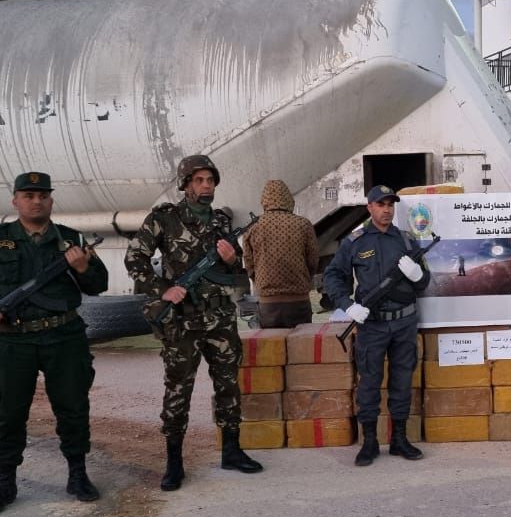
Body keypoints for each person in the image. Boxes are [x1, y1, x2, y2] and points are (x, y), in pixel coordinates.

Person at [0, 172, 109, 516]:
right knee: (8, 413)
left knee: (73, 408)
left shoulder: (71, 239)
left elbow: (98, 285)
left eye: (42, 195)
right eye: (28, 196)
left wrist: (83, 268)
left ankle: (78, 475)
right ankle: (5, 484)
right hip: (13, 340)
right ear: (15, 201)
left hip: (63, 336)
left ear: (51, 200)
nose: (36, 201)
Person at [125, 154, 263, 490]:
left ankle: (231, 451)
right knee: (178, 390)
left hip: (219, 319)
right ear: (185, 184)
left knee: (228, 385)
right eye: (199, 180)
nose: (206, 186)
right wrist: (164, 289)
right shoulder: (164, 218)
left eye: (210, 180)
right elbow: (135, 259)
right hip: (182, 322)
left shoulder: (221, 221)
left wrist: (232, 259)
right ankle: (174, 463)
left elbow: (236, 273)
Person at [323, 185, 430, 466]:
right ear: (369, 208)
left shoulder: (406, 240)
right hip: (372, 325)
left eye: (390, 205)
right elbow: (332, 276)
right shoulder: (355, 242)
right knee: (369, 382)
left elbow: (424, 282)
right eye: (380, 205)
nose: (386, 210)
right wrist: (348, 305)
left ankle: (399, 439)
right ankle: (370, 441)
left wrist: (417, 275)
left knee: (402, 380)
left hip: (405, 322)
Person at [241, 179, 318, 328]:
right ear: (288, 199)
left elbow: (249, 265)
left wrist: (262, 282)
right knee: (300, 341)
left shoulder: (253, 227)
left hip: (268, 304)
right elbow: (313, 260)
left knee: (272, 342)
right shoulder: (303, 224)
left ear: (264, 200)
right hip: (299, 301)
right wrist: (304, 279)